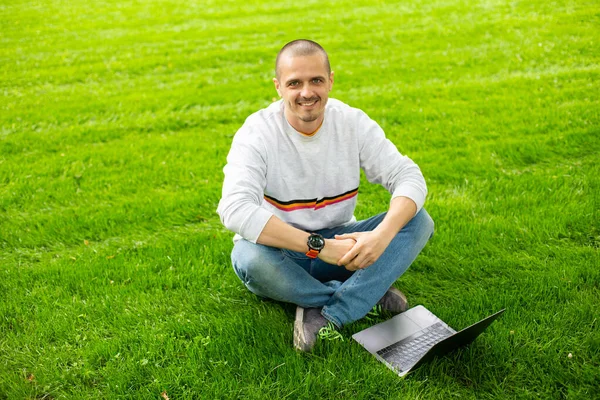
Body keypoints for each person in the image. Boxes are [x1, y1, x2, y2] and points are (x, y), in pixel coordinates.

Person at [217, 39, 434, 352]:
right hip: (284, 251)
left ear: (331, 80)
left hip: (343, 248)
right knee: (248, 258)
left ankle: (327, 311)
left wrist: (381, 237)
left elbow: (408, 176)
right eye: (295, 83)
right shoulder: (257, 132)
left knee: (419, 220)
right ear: (278, 87)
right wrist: (319, 247)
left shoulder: (352, 122)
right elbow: (234, 209)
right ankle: (363, 295)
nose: (307, 92)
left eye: (316, 80)